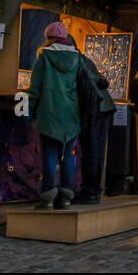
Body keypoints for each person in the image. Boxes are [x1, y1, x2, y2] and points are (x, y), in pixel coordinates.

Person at [28, 22, 83, 209]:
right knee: (68, 155)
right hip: (71, 113)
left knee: (50, 155)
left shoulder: (44, 56)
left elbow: (35, 88)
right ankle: (66, 196)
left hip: (49, 111)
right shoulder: (77, 58)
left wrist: (29, 113)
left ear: (48, 38)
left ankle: (48, 195)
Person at [75, 50, 116, 205]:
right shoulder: (85, 60)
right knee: (96, 151)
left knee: (91, 150)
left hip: (93, 107)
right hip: (103, 105)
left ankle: (89, 191)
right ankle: (93, 191)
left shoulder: (72, 60)